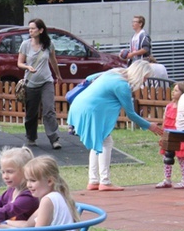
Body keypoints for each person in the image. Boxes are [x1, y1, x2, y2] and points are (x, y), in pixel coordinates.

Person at [68, 59, 163, 191]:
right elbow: (131, 114)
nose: (144, 82)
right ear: (139, 75)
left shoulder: (115, 72)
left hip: (80, 105)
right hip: (92, 110)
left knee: (98, 142)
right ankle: (104, 181)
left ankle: (93, 180)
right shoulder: (122, 85)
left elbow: (90, 77)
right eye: (145, 78)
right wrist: (149, 125)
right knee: (106, 142)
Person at [18, 18, 63, 151]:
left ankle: (54, 138)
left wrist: (58, 75)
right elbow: (19, 63)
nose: (30, 31)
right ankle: (31, 138)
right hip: (31, 82)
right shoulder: (25, 45)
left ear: (41, 30)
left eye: (33, 28)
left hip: (46, 81)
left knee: (49, 110)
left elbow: (53, 60)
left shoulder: (48, 44)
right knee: (31, 113)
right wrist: (27, 67)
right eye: (29, 28)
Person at [158, 82, 184, 189]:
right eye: (173, 90)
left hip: (179, 135)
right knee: (167, 157)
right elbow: (165, 121)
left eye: (176, 90)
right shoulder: (169, 106)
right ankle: (167, 179)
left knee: (181, 158)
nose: (173, 92)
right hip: (169, 135)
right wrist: (163, 136)